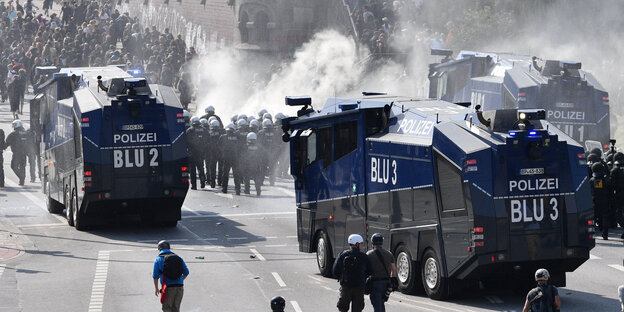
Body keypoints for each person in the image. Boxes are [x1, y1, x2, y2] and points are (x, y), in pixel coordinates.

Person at [333, 234, 373, 312]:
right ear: (357, 244)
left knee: (343, 308)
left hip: (346, 286)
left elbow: (335, 271)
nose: (362, 245)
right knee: (357, 309)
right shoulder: (364, 256)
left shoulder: (342, 255)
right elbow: (370, 271)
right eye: (361, 243)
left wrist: (342, 278)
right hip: (359, 287)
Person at [152, 240, 189, 312]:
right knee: (176, 309)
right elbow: (186, 272)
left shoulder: (158, 259)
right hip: (179, 287)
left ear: (159, 249)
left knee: (167, 309)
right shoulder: (178, 258)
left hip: (167, 288)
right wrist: (180, 279)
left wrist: (156, 289)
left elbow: (155, 276)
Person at [366, 233, 397, 312]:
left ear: (372, 242)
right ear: (382, 243)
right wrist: (393, 280)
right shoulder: (389, 254)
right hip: (386, 283)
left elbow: (365, 269)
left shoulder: (369, 254)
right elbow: (394, 269)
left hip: (375, 283)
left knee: (377, 306)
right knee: (381, 304)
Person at [590, 162, 612, 240]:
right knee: (605, 216)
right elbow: (611, 190)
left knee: (593, 217)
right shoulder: (606, 180)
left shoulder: (591, 180)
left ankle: (591, 233)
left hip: (595, 201)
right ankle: (605, 234)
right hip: (605, 200)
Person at [219, 123, 242, 195]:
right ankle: (238, 190)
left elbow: (219, 146)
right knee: (236, 174)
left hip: (226, 158)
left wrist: (223, 154)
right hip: (235, 158)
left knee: (225, 174)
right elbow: (241, 147)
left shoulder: (223, 137)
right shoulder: (238, 137)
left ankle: (224, 189)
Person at [185, 116, 207, 190]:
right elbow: (208, 141)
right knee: (201, 167)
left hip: (192, 153)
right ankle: (203, 179)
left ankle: (194, 186)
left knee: (192, 170)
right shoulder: (204, 130)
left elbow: (186, 142)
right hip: (201, 153)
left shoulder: (189, 130)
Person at [4, 120, 28, 185]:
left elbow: (7, 142)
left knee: (13, 166)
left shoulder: (14, 133)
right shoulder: (26, 133)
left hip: (17, 153)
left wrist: (3, 147)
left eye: (14, 124)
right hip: (24, 153)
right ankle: (22, 180)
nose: (13, 126)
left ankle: (21, 178)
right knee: (23, 166)